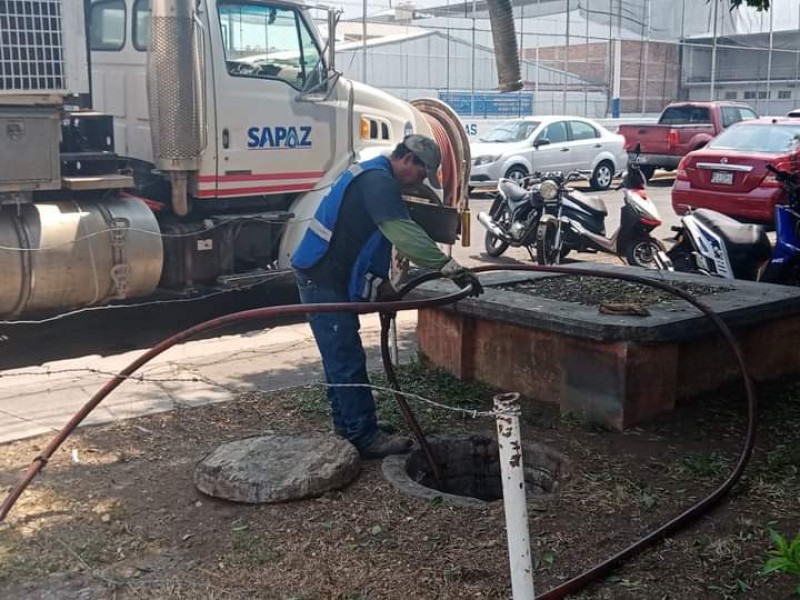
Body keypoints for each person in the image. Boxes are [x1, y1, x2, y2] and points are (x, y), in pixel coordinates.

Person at [292, 134, 483, 458]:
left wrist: (381, 286)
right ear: (408, 160)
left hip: (326, 273)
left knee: (341, 357)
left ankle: (349, 429)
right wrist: (450, 267)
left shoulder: (373, 175)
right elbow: (404, 234)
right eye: (422, 174)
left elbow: (372, 242)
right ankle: (364, 437)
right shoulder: (378, 182)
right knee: (345, 357)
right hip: (321, 275)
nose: (420, 182)